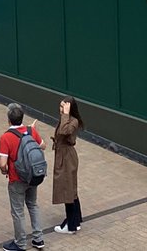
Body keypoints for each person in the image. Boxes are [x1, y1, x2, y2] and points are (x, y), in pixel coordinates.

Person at [0, 102, 45, 251]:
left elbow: (2, 163)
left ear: (9, 120)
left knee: (18, 211)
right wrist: (32, 133)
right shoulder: (31, 131)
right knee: (33, 204)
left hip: (17, 179)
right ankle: (38, 238)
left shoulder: (6, 137)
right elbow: (42, 146)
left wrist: (4, 170)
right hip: (33, 176)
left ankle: (20, 243)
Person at [51, 97, 83, 234]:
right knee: (70, 188)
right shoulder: (66, 119)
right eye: (60, 107)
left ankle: (71, 225)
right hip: (63, 156)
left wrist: (65, 114)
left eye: (63, 107)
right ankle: (76, 220)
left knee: (67, 190)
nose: (61, 110)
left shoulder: (73, 121)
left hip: (67, 158)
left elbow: (64, 131)